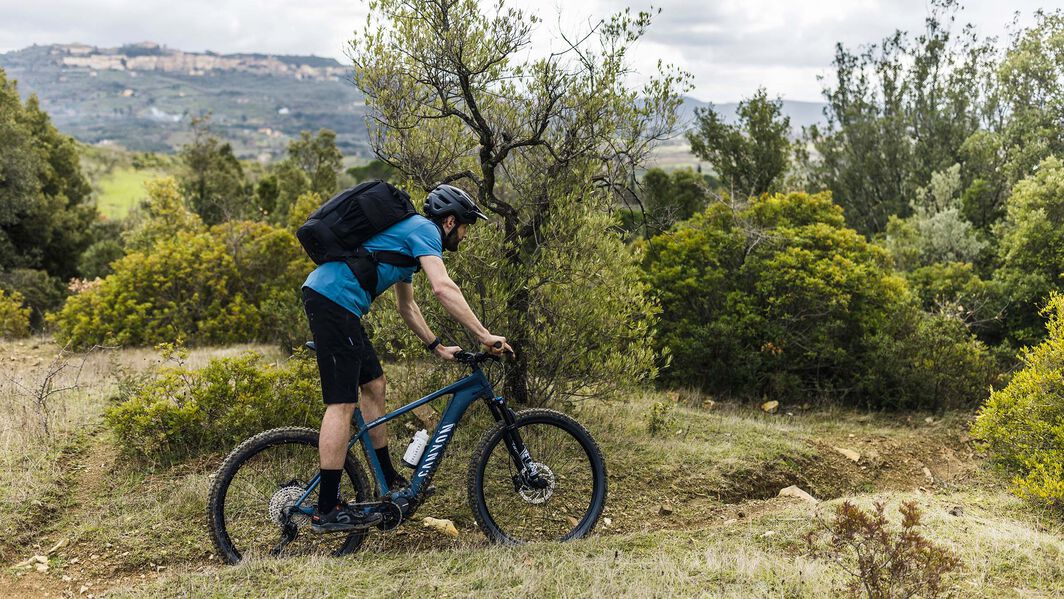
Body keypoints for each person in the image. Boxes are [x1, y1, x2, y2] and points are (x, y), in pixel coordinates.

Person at [301, 183, 512, 532]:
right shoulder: (425, 232)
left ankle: (387, 480)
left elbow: (407, 305)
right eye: (464, 227)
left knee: (374, 385)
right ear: (449, 222)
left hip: (336, 302)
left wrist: (437, 346)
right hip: (332, 300)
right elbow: (443, 288)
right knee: (341, 404)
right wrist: (484, 335)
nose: (464, 235)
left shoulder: (409, 234)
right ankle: (328, 508)